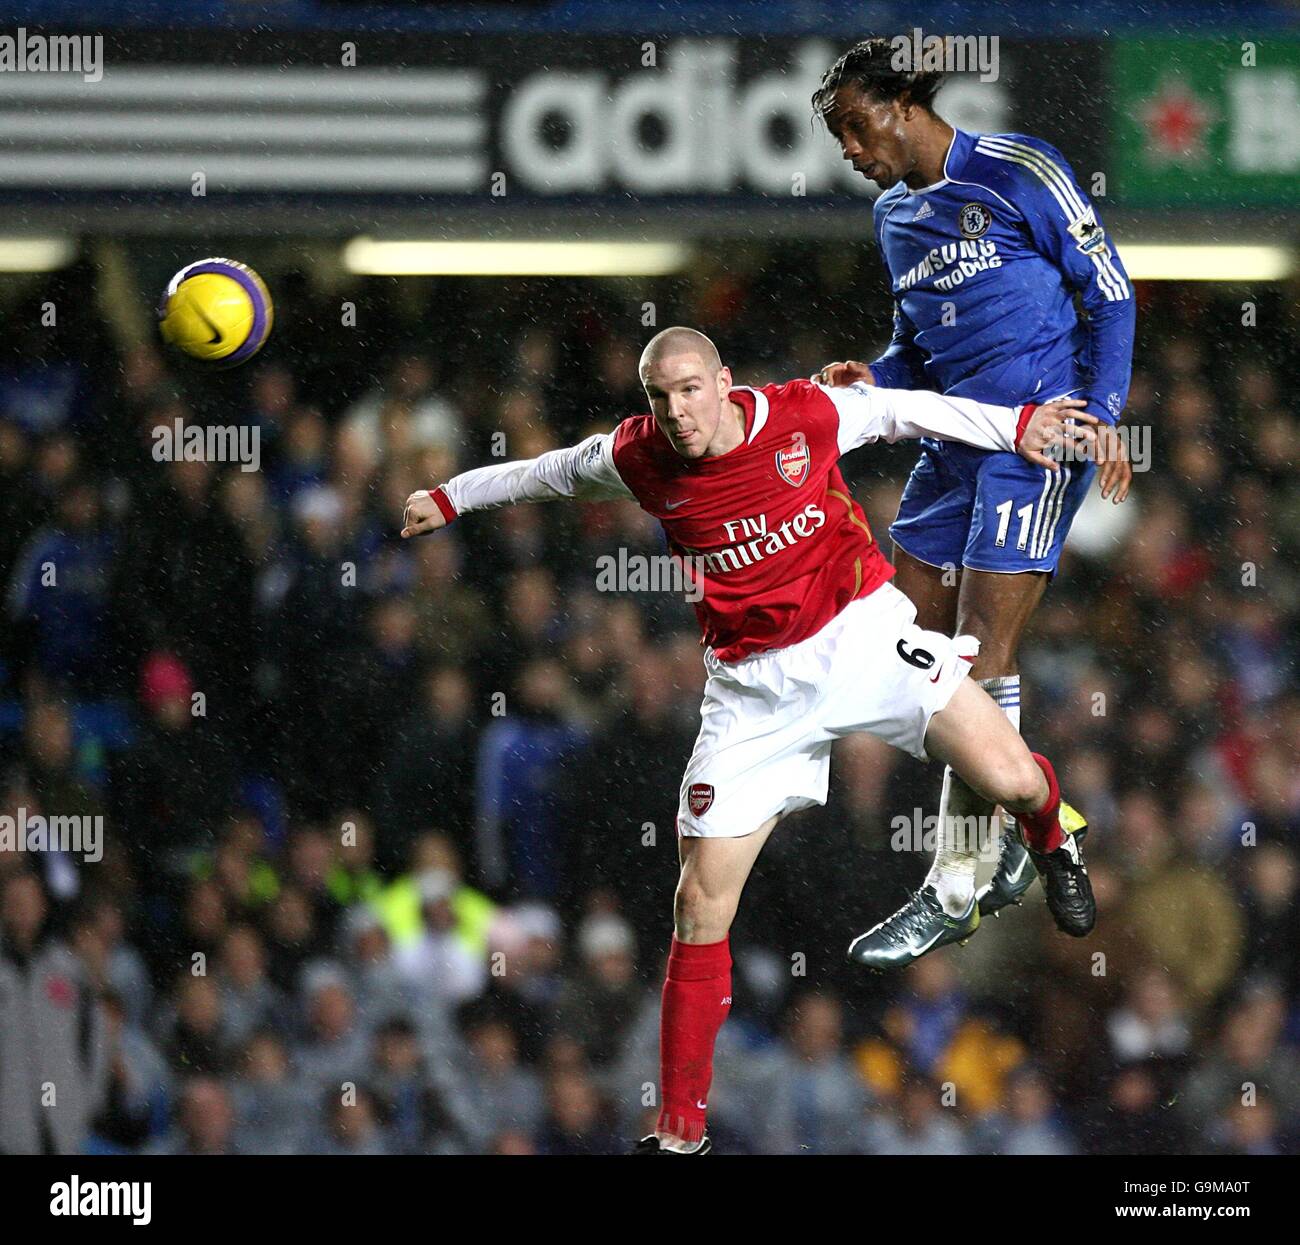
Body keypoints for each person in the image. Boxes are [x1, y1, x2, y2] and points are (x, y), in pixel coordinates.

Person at [400, 325, 1095, 1155]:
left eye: (690, 390)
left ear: (724, 382)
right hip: (752, 694)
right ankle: (682, 1128)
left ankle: (1055, 842)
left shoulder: (802, 415)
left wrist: (1017, 427)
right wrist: (450, 497)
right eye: (660, 397)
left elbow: (910, 410)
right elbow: (545, 473)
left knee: (1015, 779)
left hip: (863, 638)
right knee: (697, 902)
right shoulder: (639, 456)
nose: (677, 412)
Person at [810, 39, 1135, 946]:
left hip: (1035, 439)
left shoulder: (1019, 169)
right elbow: (918, 347)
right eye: (839, 135)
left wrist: (1102, 411)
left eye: (854, 125)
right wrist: (873, 376)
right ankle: (1040, 829)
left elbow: (1110, 293)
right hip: (949, 441)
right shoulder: (893, 219)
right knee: (900, 647)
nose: (848, 149)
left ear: (904, 104)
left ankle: (952, 889)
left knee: (974, 657)